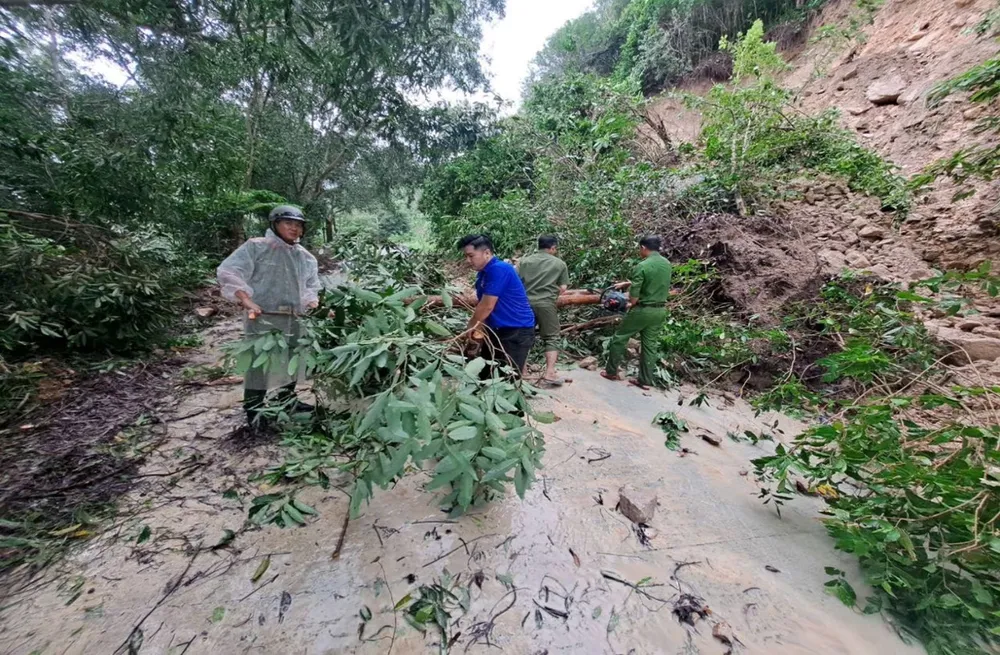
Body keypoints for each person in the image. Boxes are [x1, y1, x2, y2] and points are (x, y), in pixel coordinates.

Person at [217, 205, 322, 425]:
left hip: (295, 317)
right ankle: (254, 410)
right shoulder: (256, 247)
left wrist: (312, 302)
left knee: (293, 358)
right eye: (288, 223)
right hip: (263, 316)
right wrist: (246, 300)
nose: (294, 229)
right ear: (275, 224)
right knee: (258, 363)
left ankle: (287, 401)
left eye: (298, 225)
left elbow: (311, 285)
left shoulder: (305, 257)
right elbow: (229, 271)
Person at [458, 234, 536, 377]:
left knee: (507, 378)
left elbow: (487, 305)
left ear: (486, 253)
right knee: (487, 374)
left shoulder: (499, 269)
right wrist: (479, 330)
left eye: (471, 256)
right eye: (466, 256)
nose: (467, 260)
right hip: (497, 329)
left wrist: (470, 327)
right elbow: (484, 305)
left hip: (516, 330)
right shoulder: (483, 274)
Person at [601, 235, 672, 390]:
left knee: (619, 338)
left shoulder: (642, 266)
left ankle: (611, 371)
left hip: (642, 310)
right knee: (649, 346)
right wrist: (627, 283)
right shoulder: (666, 264)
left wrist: (628, 303)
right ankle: (645, 381)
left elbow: (634, 296)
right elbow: (654, 282)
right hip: (659, 311)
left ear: (643, 247)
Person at [517, 235, 569, 386]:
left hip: (525, 304)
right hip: (547, 304)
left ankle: (522, 371)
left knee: (524, 336)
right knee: (552, 337)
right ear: (553, 248)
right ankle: (549, 373)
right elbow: (564, 288)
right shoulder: (559, 264)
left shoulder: (524, 261)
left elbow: (516, 282)